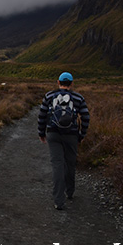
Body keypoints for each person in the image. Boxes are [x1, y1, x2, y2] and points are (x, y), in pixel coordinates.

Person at [37, 72, 90, 210]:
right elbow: (85, 117)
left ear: (58, 82)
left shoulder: (49, 96)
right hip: (71, 135)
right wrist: (81, 134)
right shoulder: (78, 98)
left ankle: (59, 201)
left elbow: (42, 115)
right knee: (70, 163)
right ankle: (70, 192)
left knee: (57, 165)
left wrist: (41, 133)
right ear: (72, 83)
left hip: (53, 134)